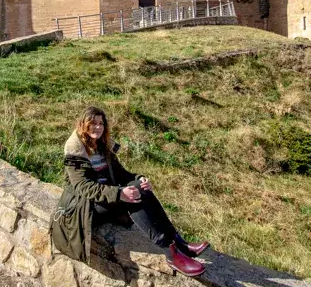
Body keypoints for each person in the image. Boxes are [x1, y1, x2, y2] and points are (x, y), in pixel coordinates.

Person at [50, 106, 208, 277]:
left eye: (101, 123)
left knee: (140, 189)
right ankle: (171, 254)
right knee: (133, 198)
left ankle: (178, 242)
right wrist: (120, 194)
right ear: (84, 124)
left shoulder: (102, 146)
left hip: (105, 198)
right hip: (85, 207)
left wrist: (140, 178)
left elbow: (121, 174)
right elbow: (84, 187)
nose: (98, 127)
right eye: (93, 123)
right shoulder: (75, 150)